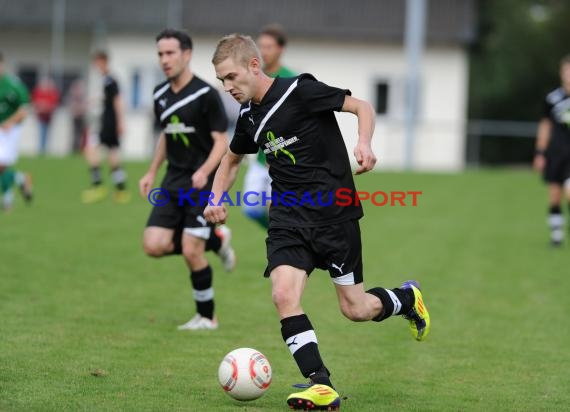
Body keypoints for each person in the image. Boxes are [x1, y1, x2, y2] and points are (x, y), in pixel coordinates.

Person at [206, 34, 431, 410]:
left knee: (355, 309)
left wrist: (364, 143)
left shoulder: (301, 90)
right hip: (288, 221)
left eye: (230, 77)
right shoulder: (248, 117)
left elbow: (361, 107)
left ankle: (406, 298)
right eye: (221, 81)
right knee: (283, 295)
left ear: (253, 66)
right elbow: (231, 159)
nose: (227, 87)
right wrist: (215, 199)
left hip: (333, 216)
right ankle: (320, 383)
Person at [139, 29, 236, 331]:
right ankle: (215, 239)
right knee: (153, 245)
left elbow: (222, 142)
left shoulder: (206, 95)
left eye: (170, 53)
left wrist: (205, 171)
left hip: (203, 181)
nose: (164, 60)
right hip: (173, 180)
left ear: (186, 54)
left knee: (191, 251)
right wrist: (152, 171)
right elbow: (167, 137)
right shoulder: (160, 95)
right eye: (160, 54)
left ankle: (207, 317)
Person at [242, 24, 297, 229]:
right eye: (260, 46)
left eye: (268, 46)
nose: (263, 51)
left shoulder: (290, 79)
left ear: (280, 49)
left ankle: (284, 240)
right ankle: (278, 234)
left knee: (280, 209)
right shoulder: (252, 78)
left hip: (283, 158)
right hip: (259, 159)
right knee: (251, 208)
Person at [81, 50, 130, 204]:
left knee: (90, 151)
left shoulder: (110, 80)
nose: (95, 65)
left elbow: (117, 100)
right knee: (113, 156)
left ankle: (98, 187)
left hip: (109, 123)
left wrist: (121, 122)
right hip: (109, 121)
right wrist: (94, 100)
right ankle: (121, 190)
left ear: (103, 61)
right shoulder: (106, 80)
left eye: (97, 62)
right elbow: (109, 99)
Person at [534, 54, 570, 247]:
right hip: (556, 153)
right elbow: (545, 126)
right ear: (561, 73)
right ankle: (557, 237)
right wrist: (540, 152)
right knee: (555, 196)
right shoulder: (552, 99)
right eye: (567, 71)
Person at [0, 51, 33, 211]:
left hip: (10, 130)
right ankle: (21, 179)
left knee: (1, 164)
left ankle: (7, 201)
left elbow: (24, 108)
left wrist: (10, 122)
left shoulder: (13, 84)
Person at [31, 76, 60, 155]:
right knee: (42, 132)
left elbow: (54, 103)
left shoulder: (52, 92)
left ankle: (44, 149)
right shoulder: (38, 92)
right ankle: (41, 149)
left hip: (49, 116)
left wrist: (45, 106)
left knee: (47, 133)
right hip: (41, 116)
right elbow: (35, 102)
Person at [67, 78, 87, 154]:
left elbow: (84, 107)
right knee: (75, 134)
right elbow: (72, 107)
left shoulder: (82, 97)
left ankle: (80, 149)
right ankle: (74, 149)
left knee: (81, 135)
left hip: (81, 117)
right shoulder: (73, 97)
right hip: (76, 117)